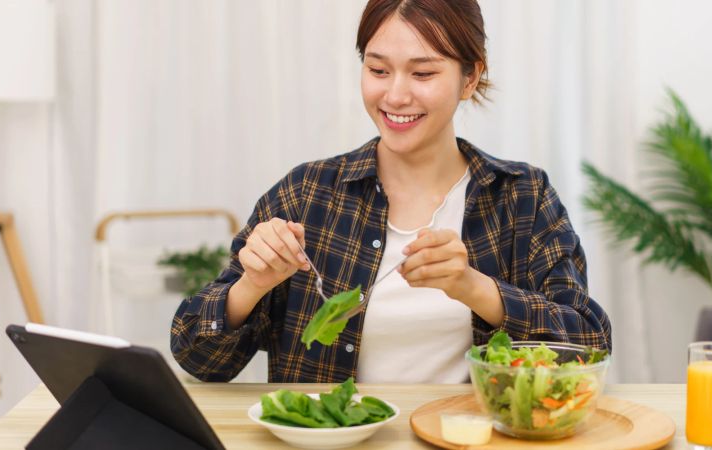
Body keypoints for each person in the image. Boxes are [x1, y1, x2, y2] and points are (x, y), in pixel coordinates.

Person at [170, 0, 611, 384]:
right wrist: (251, 285)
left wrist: (474, 287)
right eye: (378, 69)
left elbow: (589, 343)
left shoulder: (521, 197)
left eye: (422, 73)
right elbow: (199, 358)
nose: (395, 95)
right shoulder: (307, 193)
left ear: (471, 77)